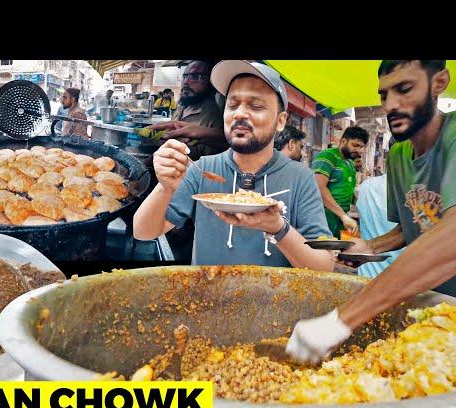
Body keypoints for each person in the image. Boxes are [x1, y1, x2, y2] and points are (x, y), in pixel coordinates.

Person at [286, 59, 456, 364]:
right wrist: (370, 247)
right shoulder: (400, 154)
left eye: (404, 89)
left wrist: (340, 321)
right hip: (430, 306)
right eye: (384, 95)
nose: (392, 105)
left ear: (439, 83)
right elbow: (411, 226)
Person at [133, 60, 334, 271]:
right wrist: (165, 187)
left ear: (281, 121)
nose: (239, 114)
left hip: (272, 303)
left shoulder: (300, 177)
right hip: (206, 301)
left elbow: (324, 265)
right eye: (232, 105)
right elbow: (143, 232)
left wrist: (277, 227)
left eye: (255, 105)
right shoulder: (202, 169)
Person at [146, 60, 228, 161]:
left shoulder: (217, 118)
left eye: (195, 76)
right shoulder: (182, 108)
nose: (186, 82)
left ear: (212, 82)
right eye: (185, 76)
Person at [312, 126, 369, 238]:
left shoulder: (350, 163)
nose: (358, 150)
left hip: (340, 219)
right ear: (343, 141)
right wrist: (343, 216)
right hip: (323, 217)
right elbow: (319, 188)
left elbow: (346, 191)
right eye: (355, 145)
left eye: (361, 147)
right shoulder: (327, 156)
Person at [355, 173, 403, 278]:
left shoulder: (366, 186)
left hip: (367, 276)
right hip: (402, 281)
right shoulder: (413, 189)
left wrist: (369, 246)